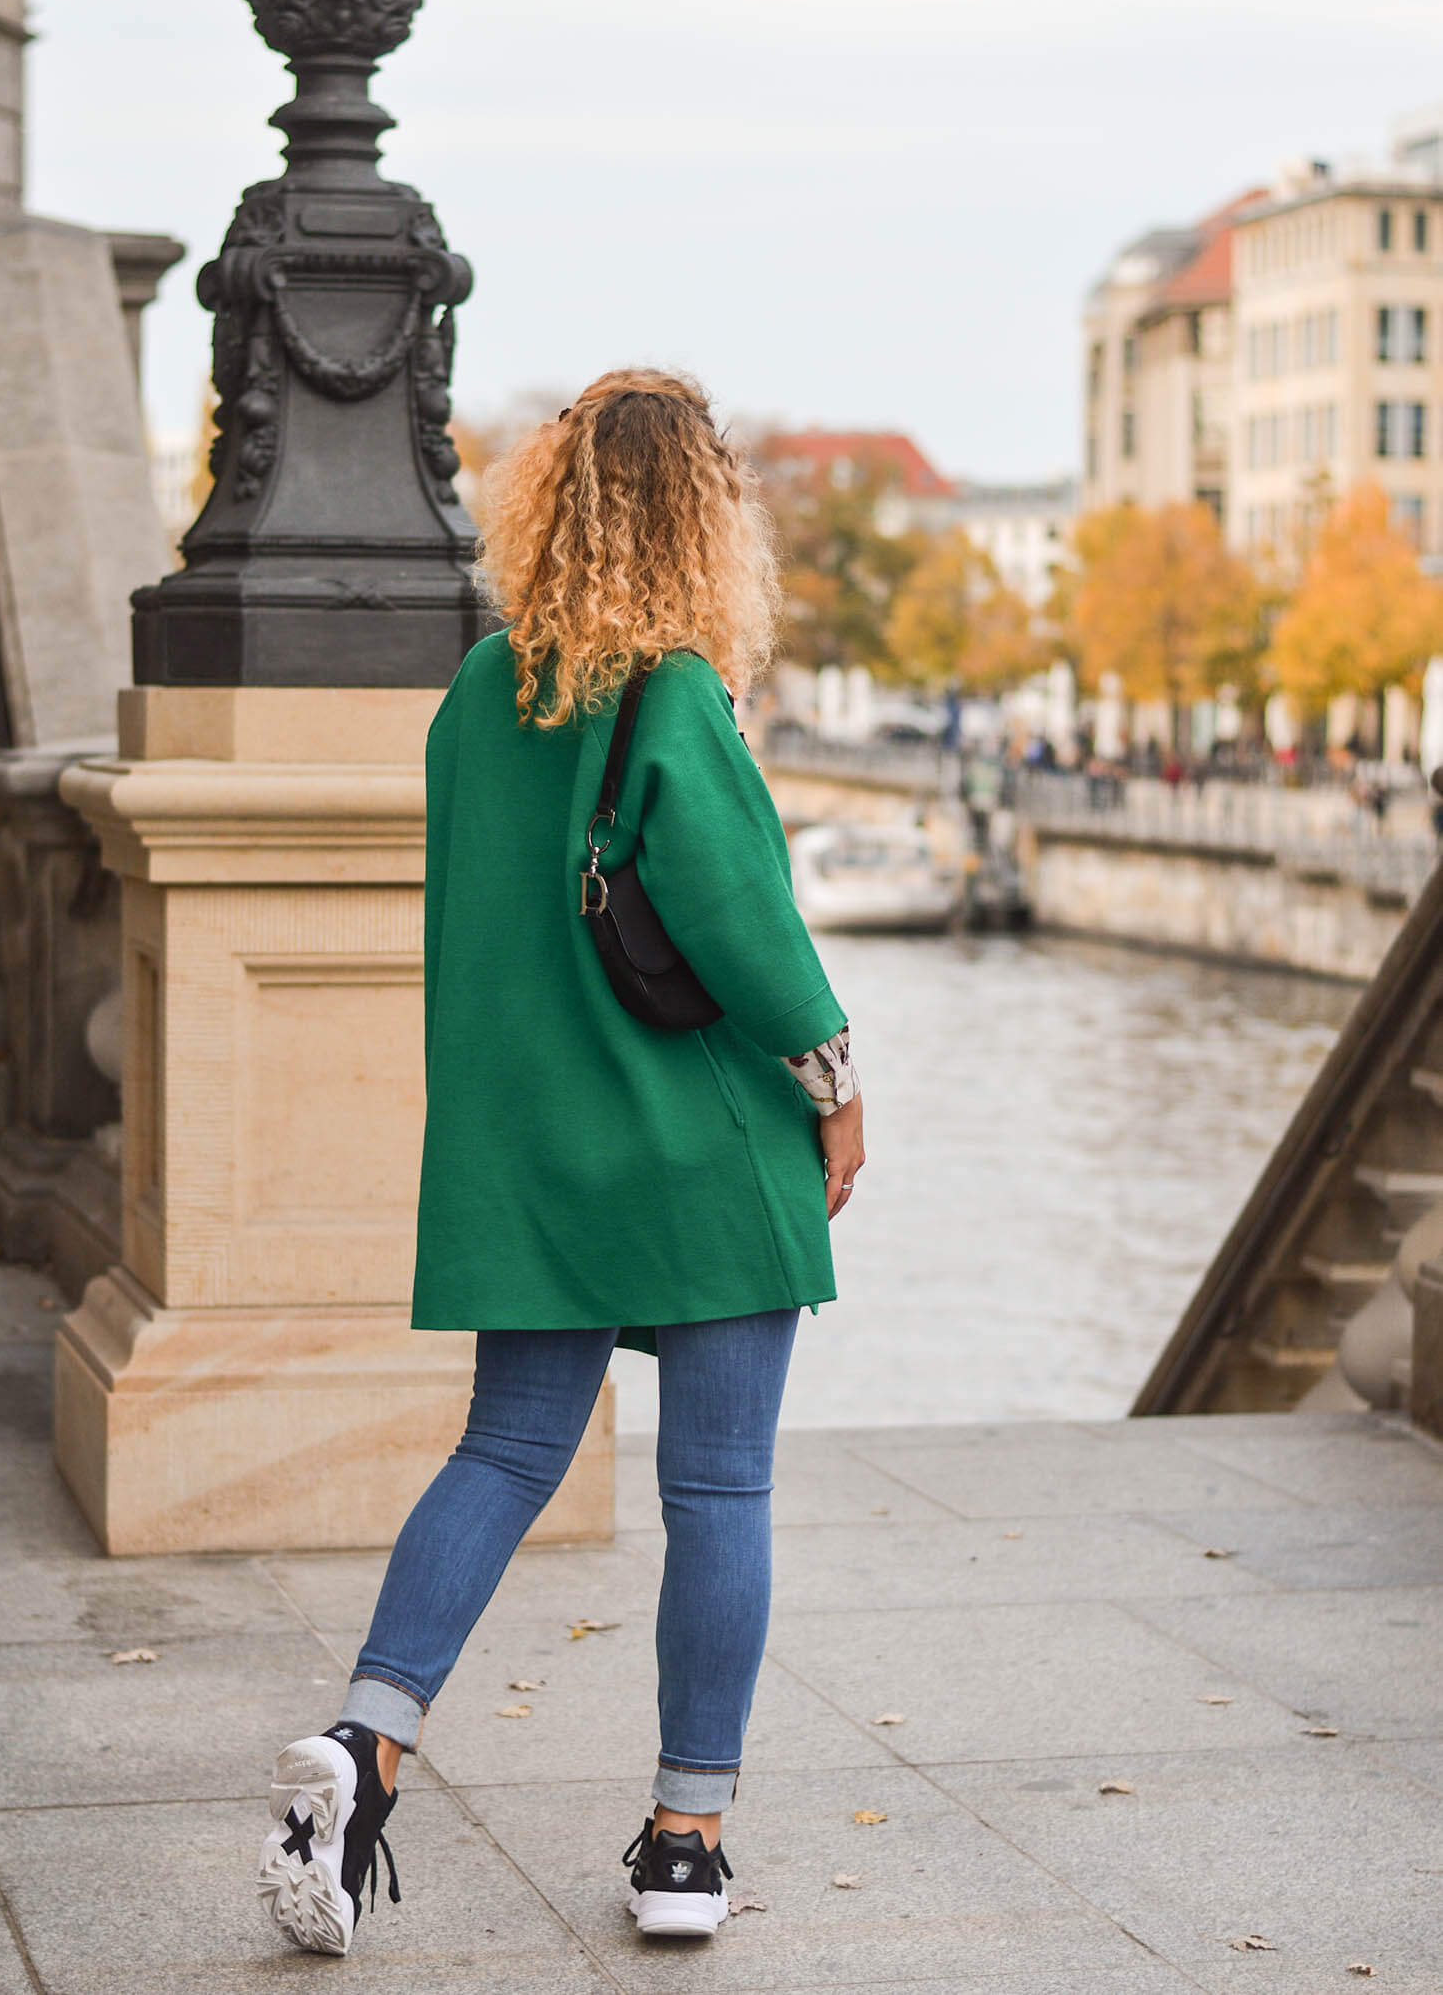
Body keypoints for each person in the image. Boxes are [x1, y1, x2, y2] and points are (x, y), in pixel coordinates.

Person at [255, 370, 866, 1955]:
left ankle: (368, 1742)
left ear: (554, 506)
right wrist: (838, 1084)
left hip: (528, 1148)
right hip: (690, 1146)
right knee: (719, 1486)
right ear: (704, 518)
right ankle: (684, 1841)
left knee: (507, 1452)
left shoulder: (478, 691)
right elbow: (745, 932)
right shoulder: (677, 695)